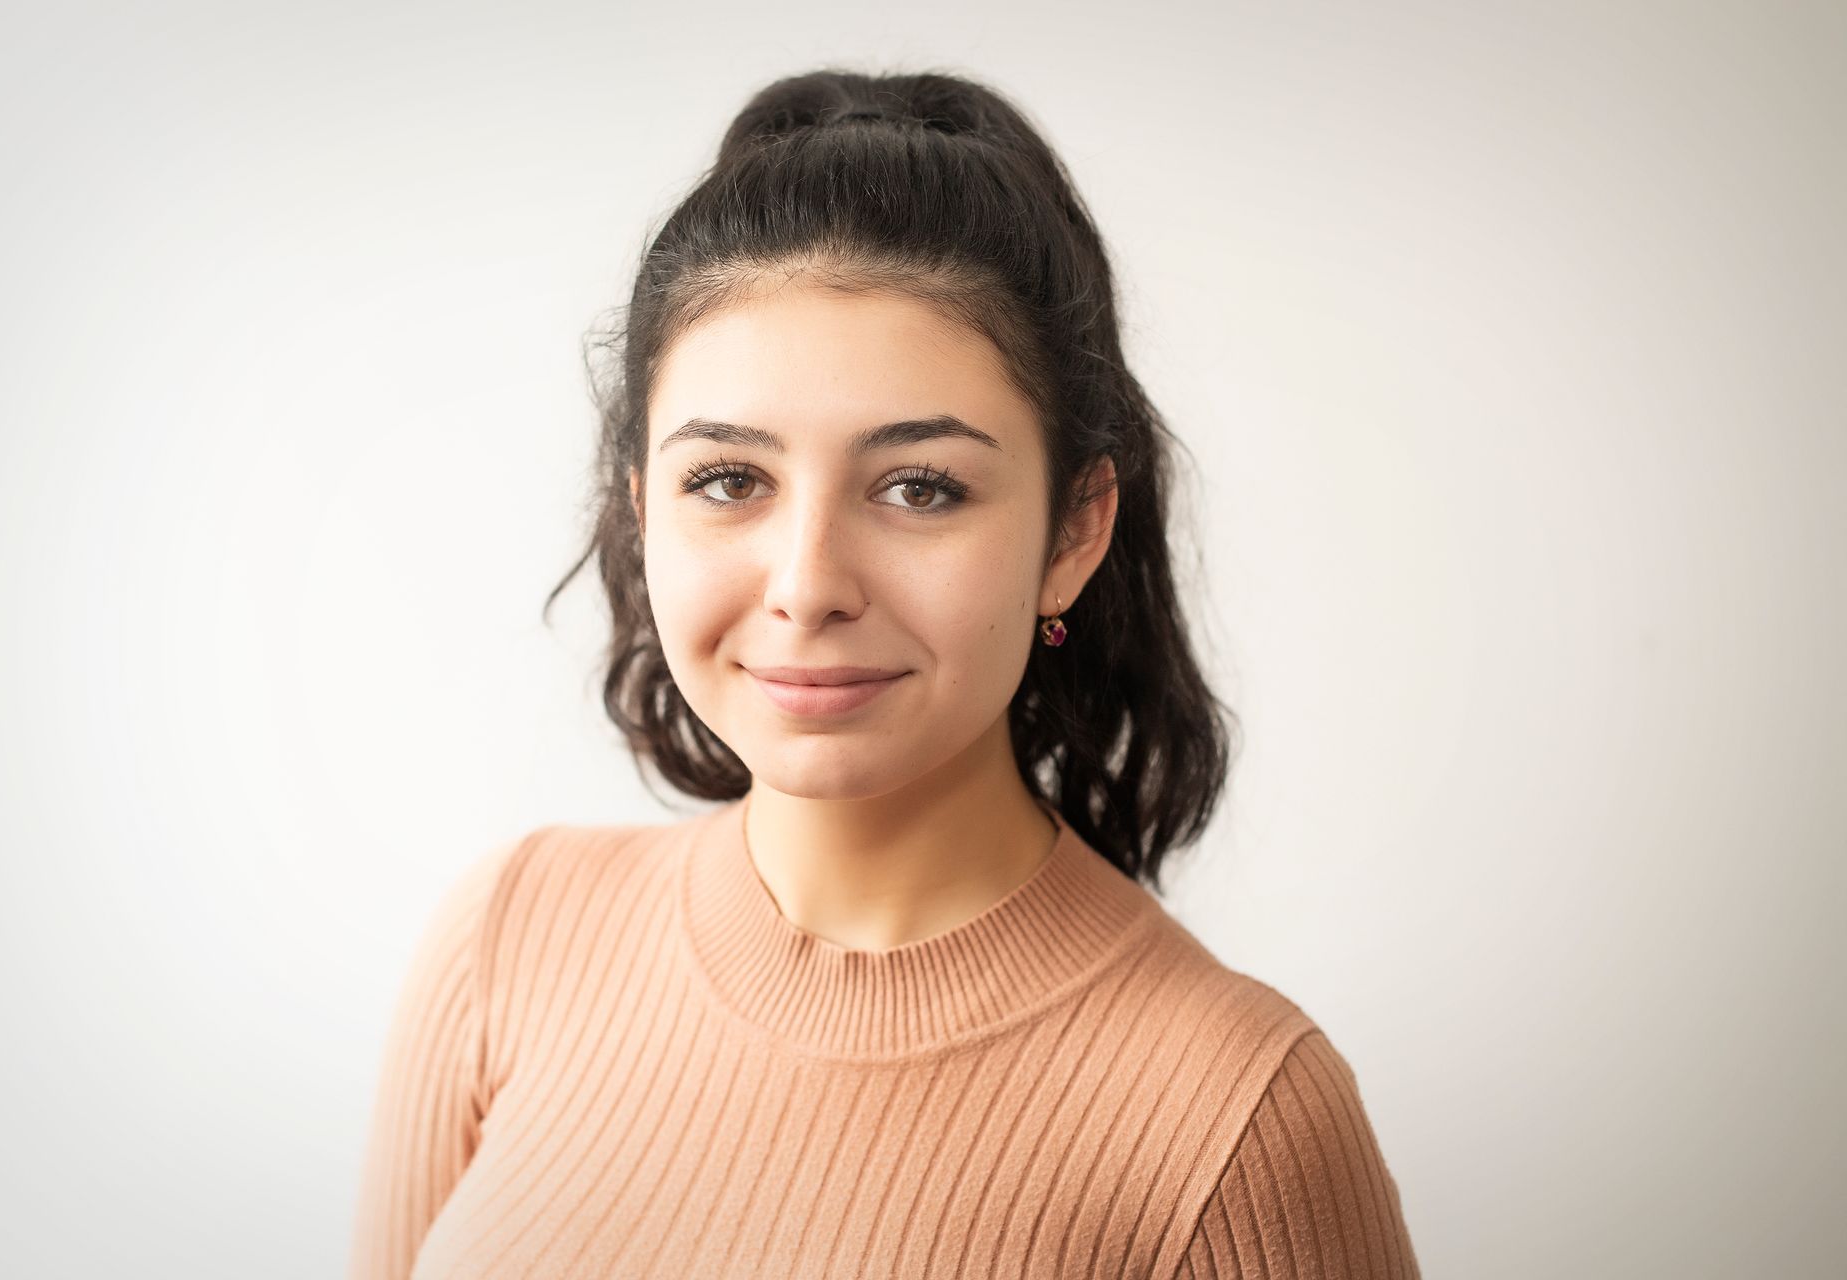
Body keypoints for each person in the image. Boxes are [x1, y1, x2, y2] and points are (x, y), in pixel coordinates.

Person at [348, 67, 1420, 1279]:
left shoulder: (1237, 1120)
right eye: (729, 480)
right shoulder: (508, 942)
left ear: (1073, 532)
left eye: (920, 487)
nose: (809, 584)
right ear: (644, 512)